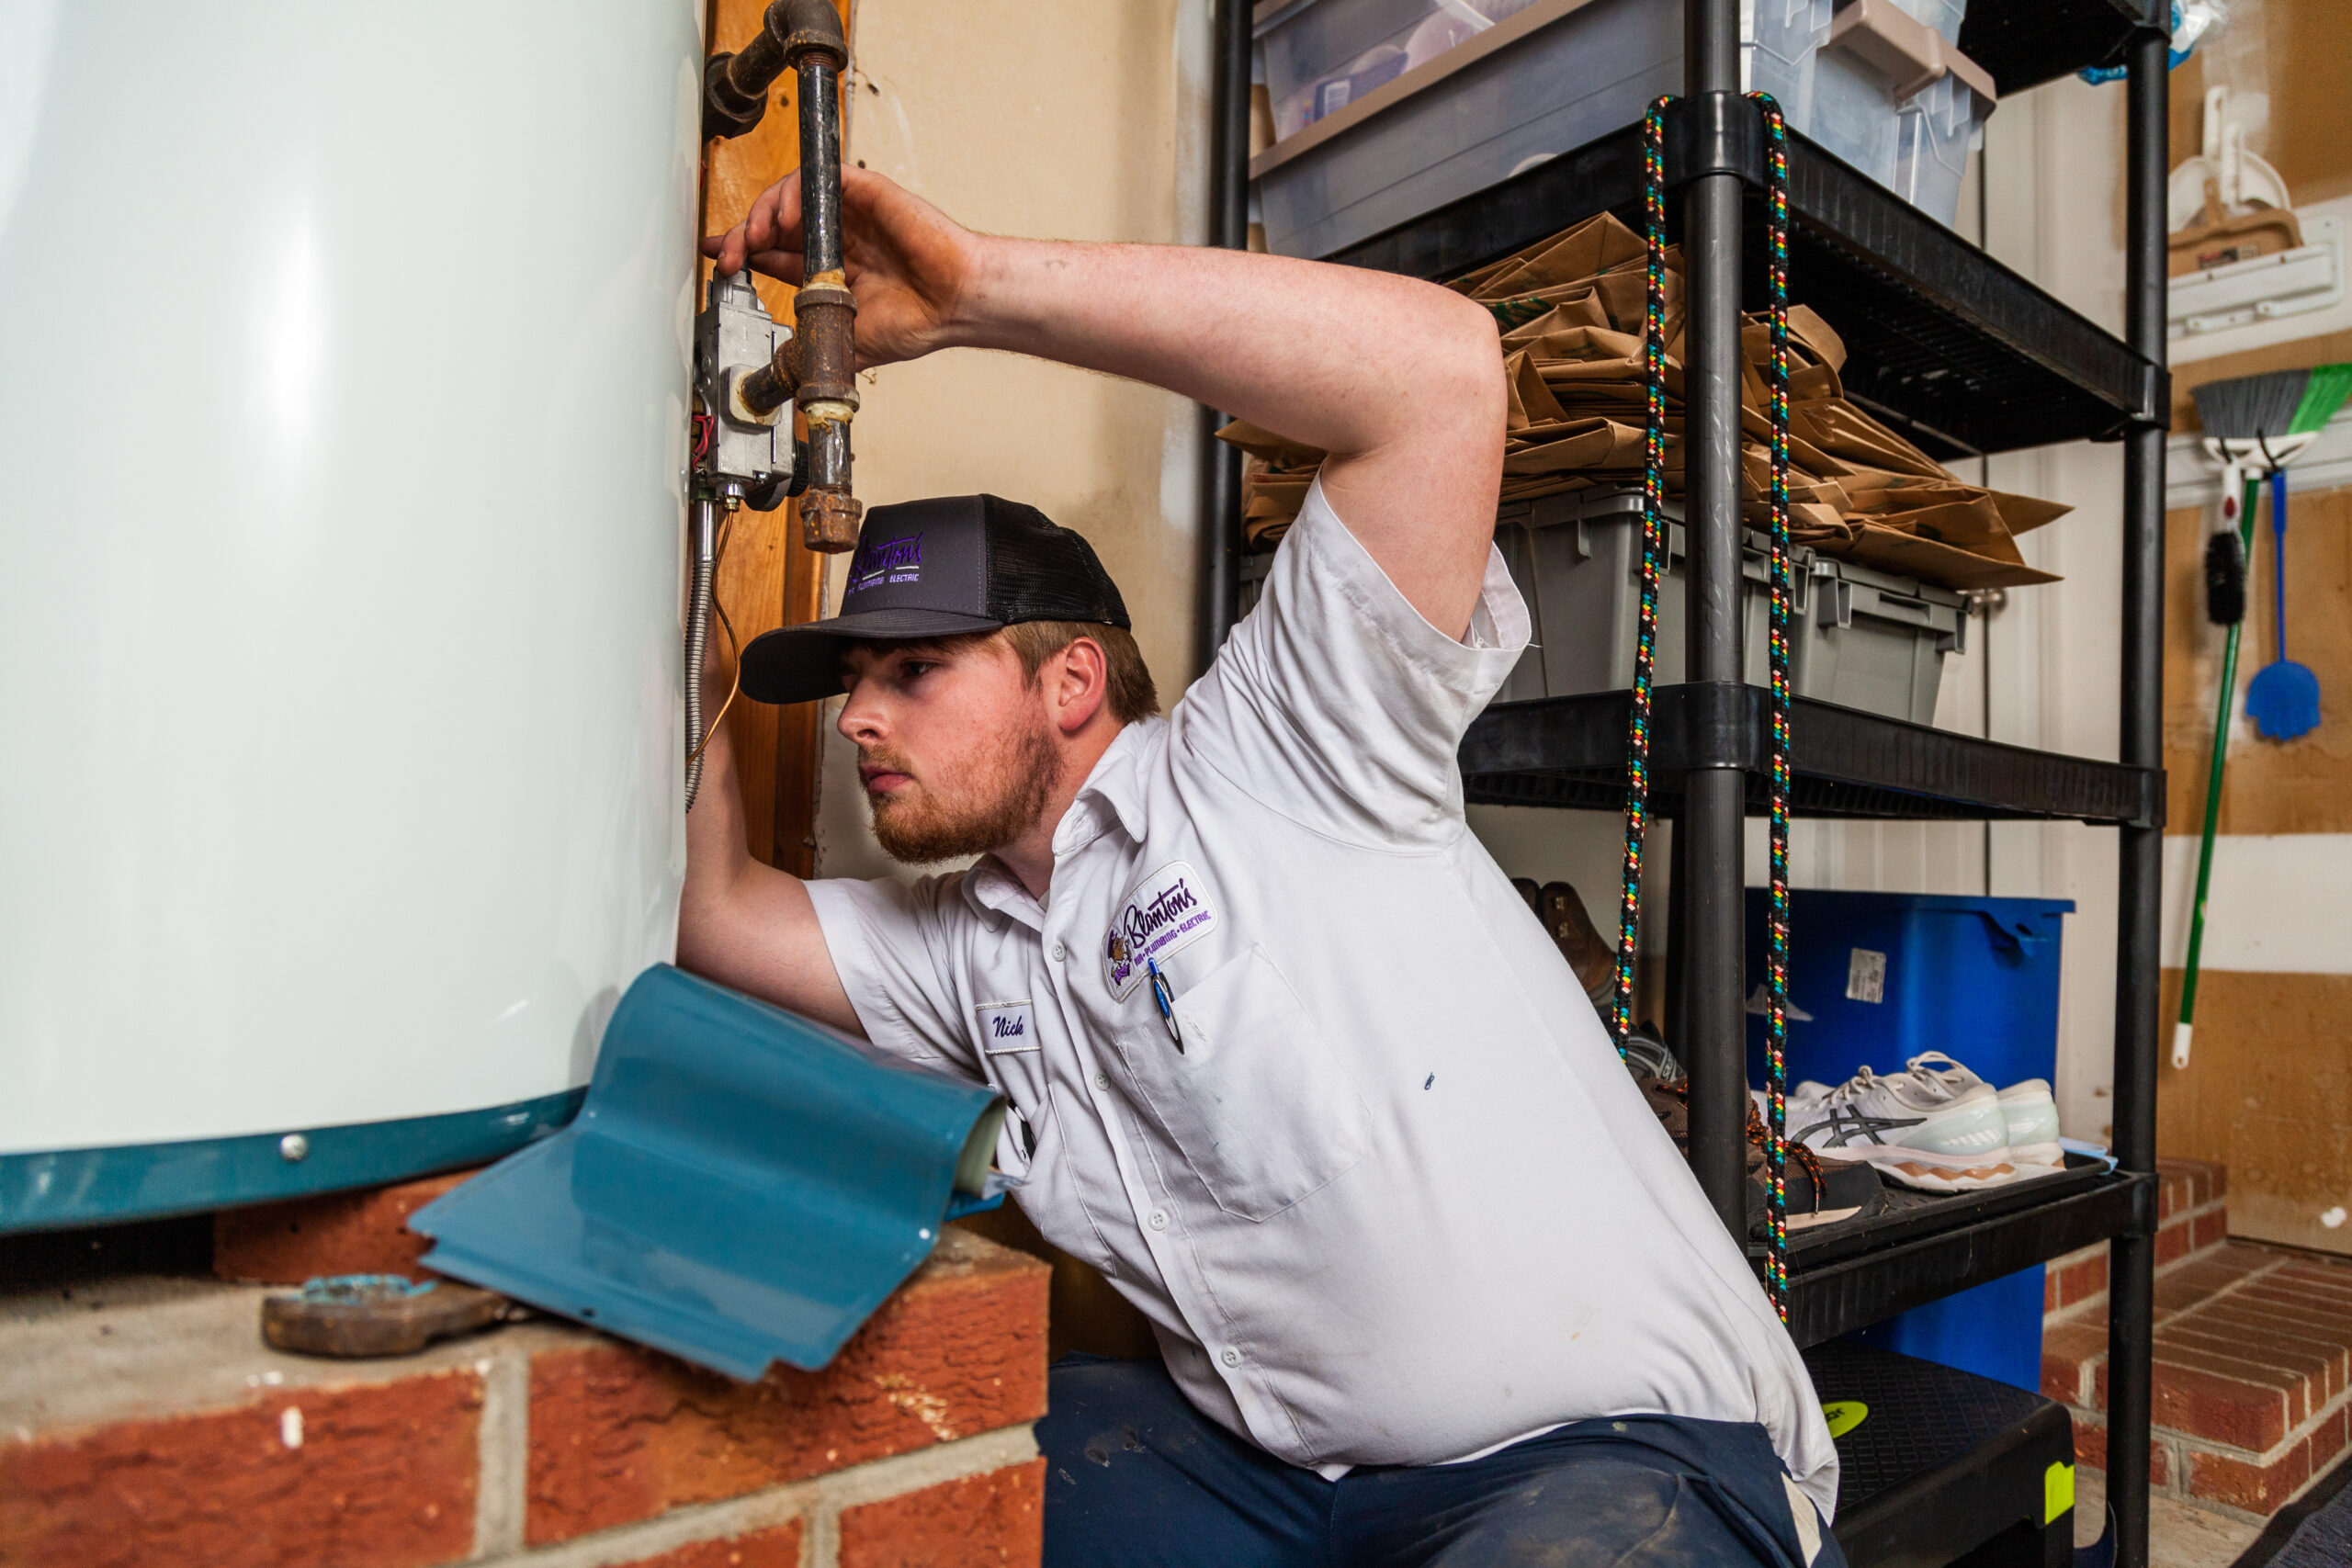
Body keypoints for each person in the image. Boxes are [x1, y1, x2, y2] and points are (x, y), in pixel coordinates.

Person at [686, 166, 1841, 1568]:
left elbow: (1437, 374)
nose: (862, 717)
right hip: (1280, 1483)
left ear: (1072, 682)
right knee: (908, 1498)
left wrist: (977, 289)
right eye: (856, 680)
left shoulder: (1283, 753)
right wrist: (683, 570)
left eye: (917, 671)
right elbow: (721, 910)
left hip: (1612, 1460)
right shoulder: (968, 944)